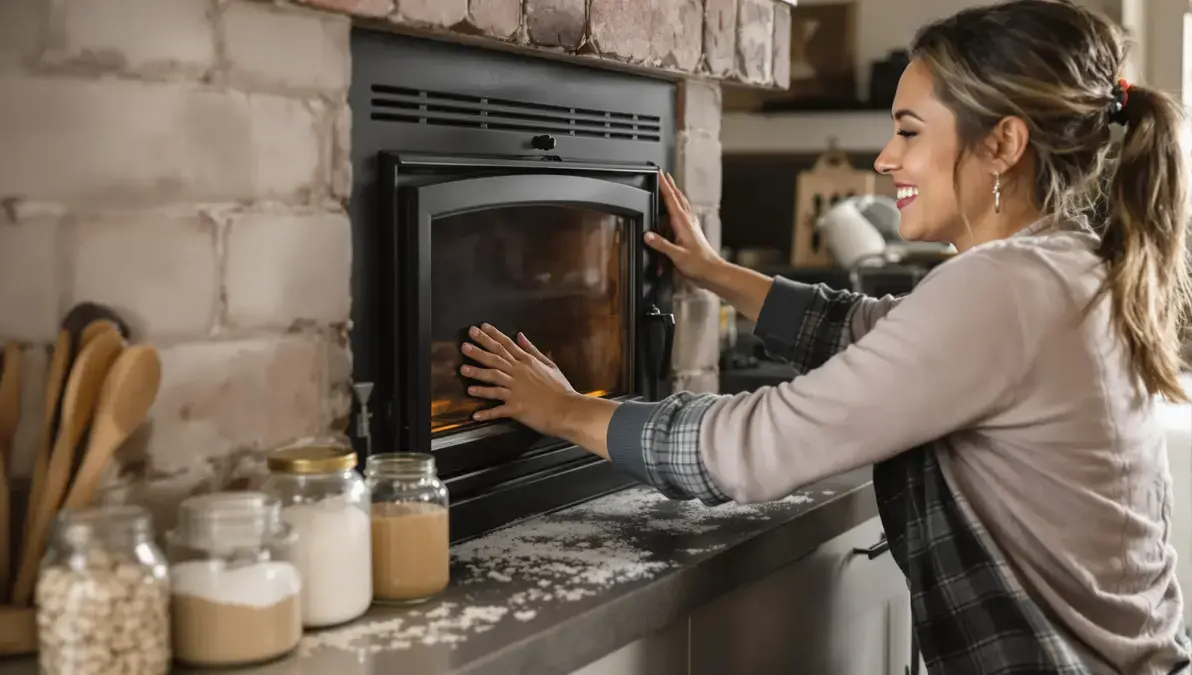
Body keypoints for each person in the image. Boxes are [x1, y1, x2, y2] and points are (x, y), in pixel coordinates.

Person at [460, 1, 1192, 672]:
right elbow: (880, 333)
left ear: (1002, 143)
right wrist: (720, 275)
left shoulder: (1006, 288)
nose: (885, 158)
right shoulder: (1066, 266)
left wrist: (562, 410)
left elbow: (753, 449)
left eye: (909, 130)